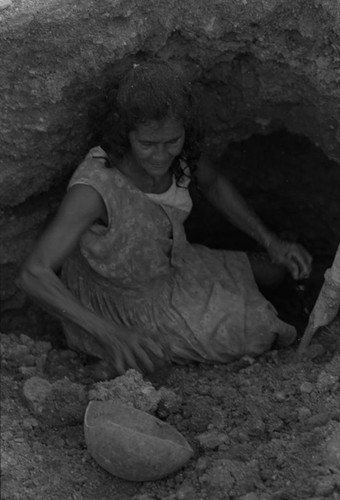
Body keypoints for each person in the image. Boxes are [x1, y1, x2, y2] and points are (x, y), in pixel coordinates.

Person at [17, 60, 312, 379]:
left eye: (171, 141)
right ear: (125, 134)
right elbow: (33, 274)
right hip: (121, 299)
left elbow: (212, 184)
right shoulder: (96, 189)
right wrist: (111, 334)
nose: (160, 155)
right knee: (260, 330)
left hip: (173, 263)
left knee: (275, 272)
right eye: (146, 144)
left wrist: (270, 240)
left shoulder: (180, 155)